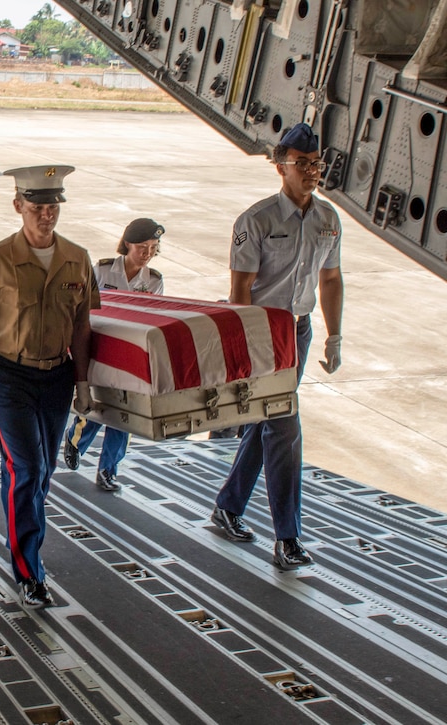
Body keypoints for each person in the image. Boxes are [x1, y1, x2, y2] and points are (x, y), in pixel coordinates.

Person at [0, 165, 100, 609]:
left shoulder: (77, 258)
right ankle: (28, 570)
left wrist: (83, 383)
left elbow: (82, 325)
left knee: (39, 472)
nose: (46, 216)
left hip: (56, 377)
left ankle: (22, 536)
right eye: (37, 208)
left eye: (52, 207)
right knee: (29, 468)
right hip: (10, 376)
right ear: (18, 205)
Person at [209, 122, 344, 571]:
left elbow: (330, 278)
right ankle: (288, 537)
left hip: (298, 332)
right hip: (263, 332)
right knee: (285, 429)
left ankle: (228, 507)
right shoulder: (256, 221)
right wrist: (245, 352)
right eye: (302, 164)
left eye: (316, 164)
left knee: (267, 421)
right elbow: (240, 291)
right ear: (280, 166)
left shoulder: (328, 219)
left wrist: (335, 334)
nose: (311, 171)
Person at [63, 218, 165, 491]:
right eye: (142, 247)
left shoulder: (153, 281)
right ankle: (75, 440)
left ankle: (109, 470)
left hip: (131, 355)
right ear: (127, 244)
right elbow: (84, 309)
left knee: (126, 414)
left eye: (153, 248)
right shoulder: (103, 271)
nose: (147, 254)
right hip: (101, 349)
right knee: (99, 406)